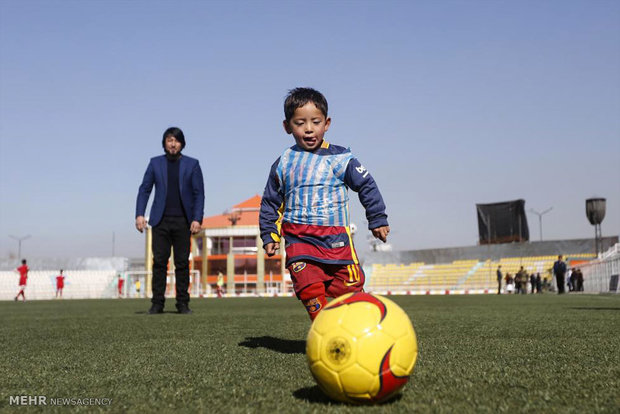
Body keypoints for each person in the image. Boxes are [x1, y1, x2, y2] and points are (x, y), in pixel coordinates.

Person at [259, 87, 390, 321]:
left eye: (315, 122)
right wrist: (269, 234)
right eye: (300, 123)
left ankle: (358, 331)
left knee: (351, 292)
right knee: (308, 286)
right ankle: (323, 328)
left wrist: (377, 218)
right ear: (287, 126)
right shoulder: (283, 163)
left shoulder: (341, 158)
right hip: (299, 239)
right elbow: (270, 202)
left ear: (326, 123)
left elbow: (367, 185)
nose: (309, 129)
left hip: (337, 239)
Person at [135, 127, 205, 314]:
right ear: (164, 143)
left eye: (176, 140)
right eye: (169, 140)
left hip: (184, 221)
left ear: (182, 143)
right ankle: (157, 303)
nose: (173, 144)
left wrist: (197, 218)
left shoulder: (193, 164)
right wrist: (140, 214)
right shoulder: (155, 163)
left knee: (182, 263)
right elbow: (145, 189)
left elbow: (199, 194)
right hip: (160, 221)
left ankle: (183, 304)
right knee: (159, 262)